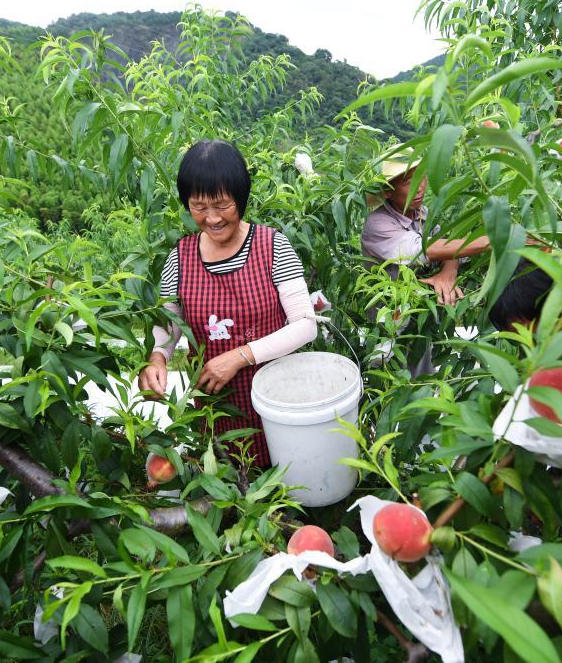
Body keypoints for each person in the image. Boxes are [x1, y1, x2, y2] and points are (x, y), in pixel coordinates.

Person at [138, 140, 317, 467]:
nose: (212, 218)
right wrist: (157, 358)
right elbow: (169, 326)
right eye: (199, 206)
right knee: (223, 478)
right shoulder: (180, 258)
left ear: (240, 197)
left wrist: (239, 356)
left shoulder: (273, 247)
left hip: (276, 399)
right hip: (215, 407)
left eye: (222, 205)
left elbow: (305, 325)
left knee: (283, 479)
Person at [361, 150, 495, 304]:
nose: (419, 188)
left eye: (421, 177)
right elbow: (420, 250)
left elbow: (446, 245)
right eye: (408, 182)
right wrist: (488, 242)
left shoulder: (422, 212)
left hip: (430, 308)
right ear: (387, 191)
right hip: (394, 313)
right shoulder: (377, 224)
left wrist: (448, 273)